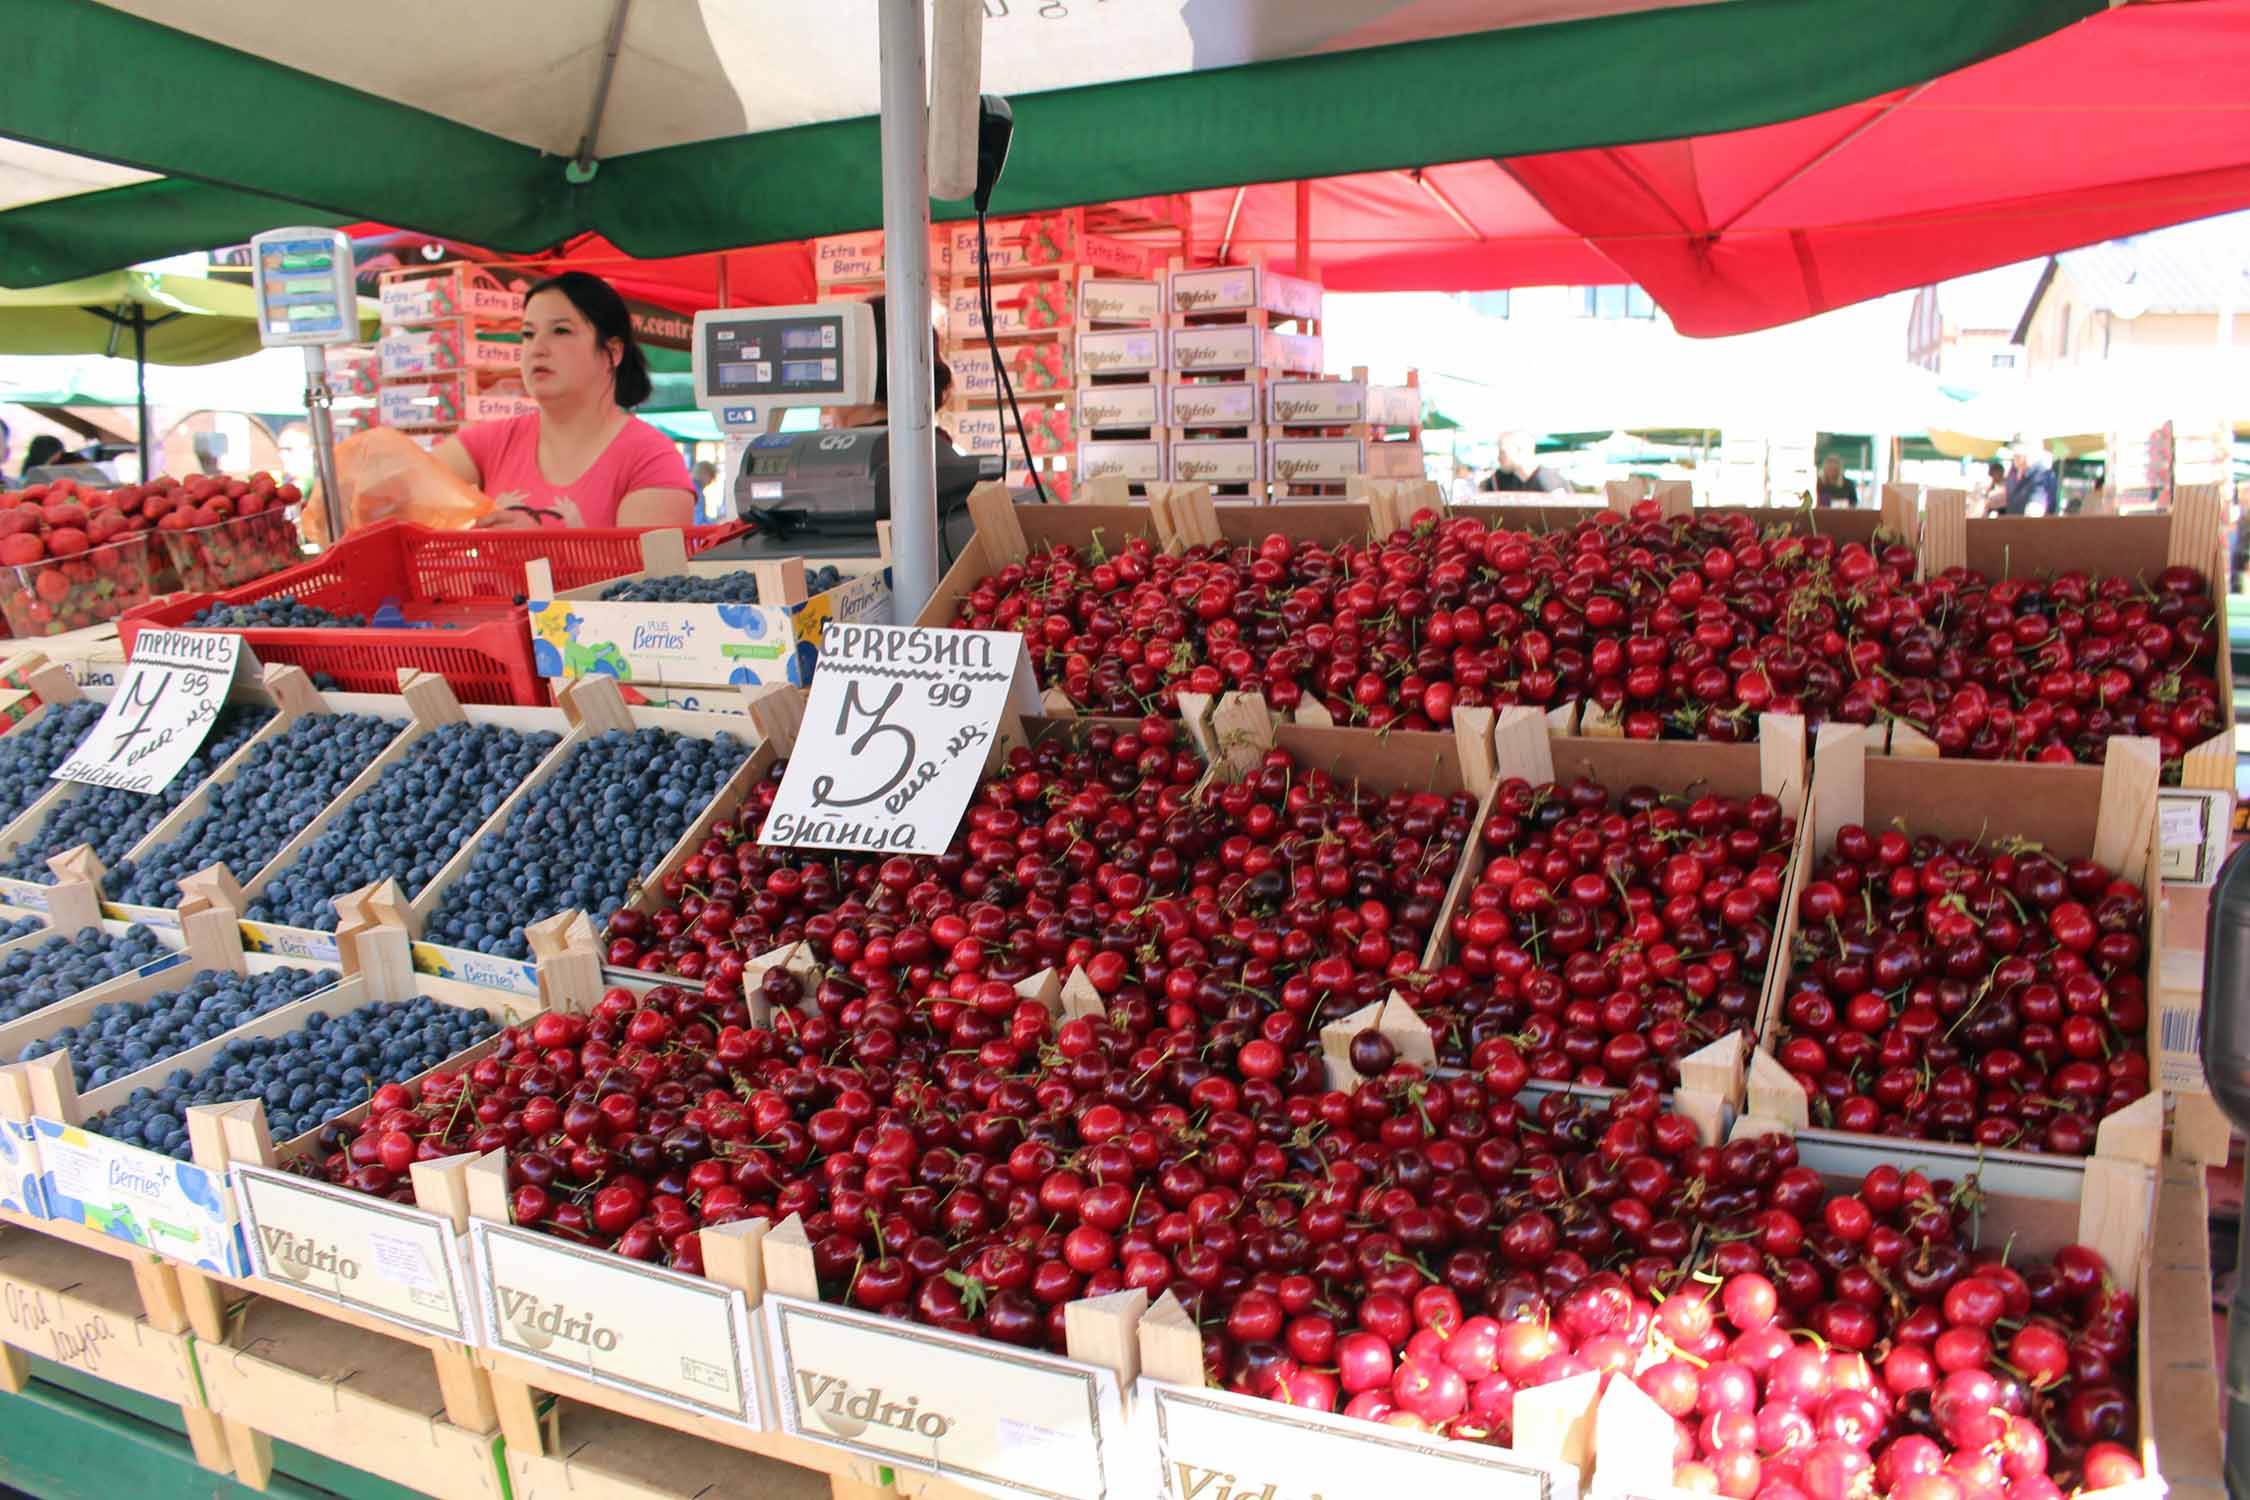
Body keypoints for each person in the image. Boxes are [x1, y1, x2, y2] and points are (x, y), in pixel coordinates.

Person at [435, 271, 694, 530]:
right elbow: (412, 486)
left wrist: (538, 549)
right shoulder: (491, 443)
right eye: (528, 334)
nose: (537, 348)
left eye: (560, 331)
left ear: (612, 352)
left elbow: (652, 570)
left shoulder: (650, 459)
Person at [1479, 431, 1568, 494]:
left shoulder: (1549, 481)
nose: (1498, 458)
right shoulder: (1499, 480)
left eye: (1503, 452)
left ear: (1521, 450)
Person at [2001, 445, 2059, 516]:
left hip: (2033, 525)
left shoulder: (2043, 474)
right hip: (2012, 523)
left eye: (2019, 454)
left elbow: (2036, 508)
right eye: (2015, 454)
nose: (2015, 458)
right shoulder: (2013, 472)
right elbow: (2007, 497)